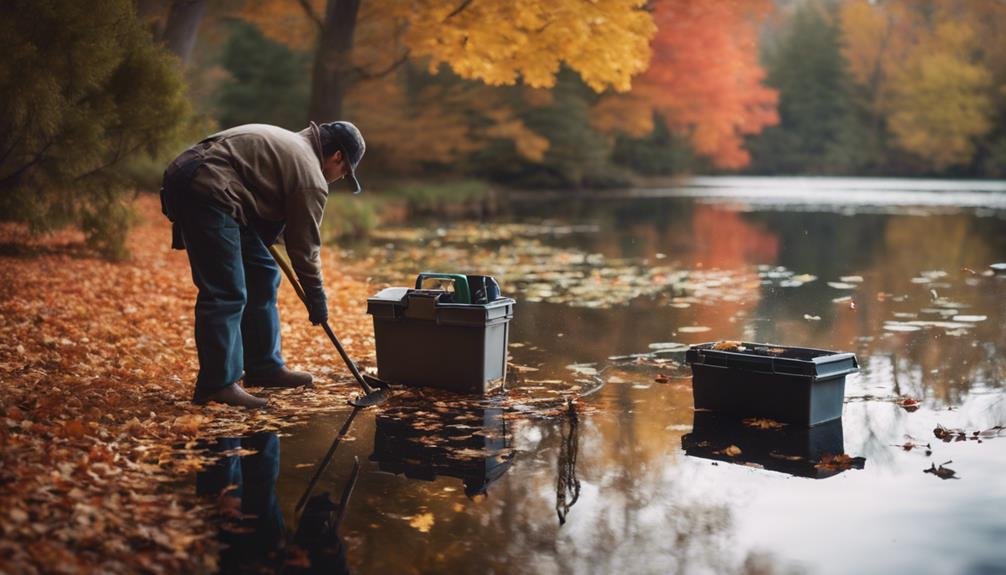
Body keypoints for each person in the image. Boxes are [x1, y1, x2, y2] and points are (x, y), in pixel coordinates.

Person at [160, 121, 366, 408]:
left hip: (215, 186)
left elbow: (275, 210)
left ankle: (263, 367)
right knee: (226, 291)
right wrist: (317, 298)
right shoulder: (310, 176)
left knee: (263, 273)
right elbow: (304, 249)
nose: (340, 177)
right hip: (207, 189)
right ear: (337, 157)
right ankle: (217, 385)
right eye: (344, 172)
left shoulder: (294, 146)